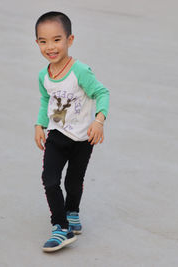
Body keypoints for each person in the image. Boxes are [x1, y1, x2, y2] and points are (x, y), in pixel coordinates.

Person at [34, 11, 110, 252]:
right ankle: (60, 226)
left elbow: (102, 93)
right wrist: (39, 124)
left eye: (57, 39)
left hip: (82, 138)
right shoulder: (43, 76)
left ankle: (73, 212)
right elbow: (46, 100)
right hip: (57, 134)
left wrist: (99, 121)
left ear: (70, 40)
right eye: (43, 41)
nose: (50, 47)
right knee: (50, 180)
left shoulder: (80, 71)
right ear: (37, 43)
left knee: (74, 181)